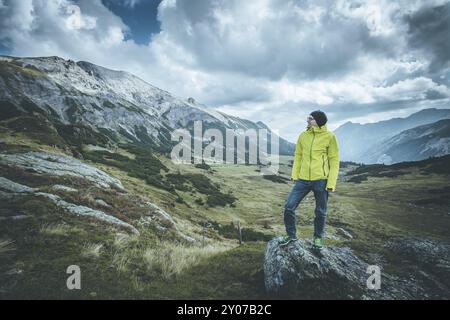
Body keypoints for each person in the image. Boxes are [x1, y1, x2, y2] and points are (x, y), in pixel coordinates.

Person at [279, 110, 339, 249]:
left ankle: (318, 239)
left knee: (320, 212)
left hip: (321, 180)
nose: (307, 120)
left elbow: (334, 160)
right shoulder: (303, 136)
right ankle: (291, 236)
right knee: (289, 207)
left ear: (318, 121)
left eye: (310, 118)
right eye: (308, 118)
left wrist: (331, 183)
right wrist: (295, 175)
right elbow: (298, 155)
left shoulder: (330, 137)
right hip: (303, 180)